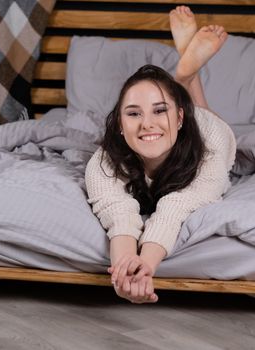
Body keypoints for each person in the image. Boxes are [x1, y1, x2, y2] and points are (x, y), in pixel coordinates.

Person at [85, 6, 236, 303]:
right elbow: (119, 215)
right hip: (180, 118)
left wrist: (149, 263)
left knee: (201, 114)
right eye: (133, 113)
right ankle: (183, 79)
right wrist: (127, 270)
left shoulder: (208, 158)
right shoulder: (102, 163)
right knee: (178, 107)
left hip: (207, 137)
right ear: (119, 124)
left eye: (158, 110)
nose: (146, 124)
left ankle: (184, 79)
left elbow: (175, 208)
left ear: (179, 119)